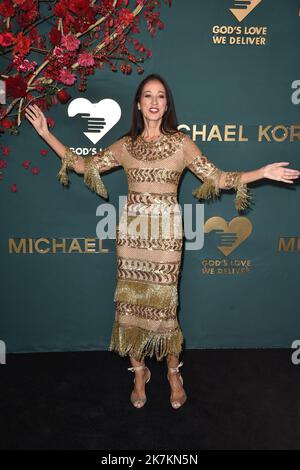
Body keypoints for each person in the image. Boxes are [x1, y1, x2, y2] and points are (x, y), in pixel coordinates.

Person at [25, 73, 299, 410]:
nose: (154, 102)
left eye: (160, 96)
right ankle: (139, 371)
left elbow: (218, 178)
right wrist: (46, 133)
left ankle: (173, 373)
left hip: (166, 236)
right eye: (147, 96)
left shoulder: (181, 144)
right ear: (138, 104)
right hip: (132, 235)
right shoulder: (125, 146)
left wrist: (261, 173)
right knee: (130, 307)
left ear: (166, 104)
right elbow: (83, 166)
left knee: (165, 309)